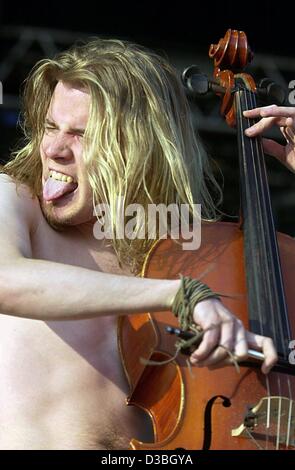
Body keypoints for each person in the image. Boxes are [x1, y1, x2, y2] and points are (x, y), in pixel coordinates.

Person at [0, 38, 282, 450]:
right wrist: (179, 295)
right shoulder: (14, 199)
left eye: (80, 134)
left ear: (138, 146)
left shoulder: (187, 251)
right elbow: (6, 281)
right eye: (49, 126)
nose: (54, 149)